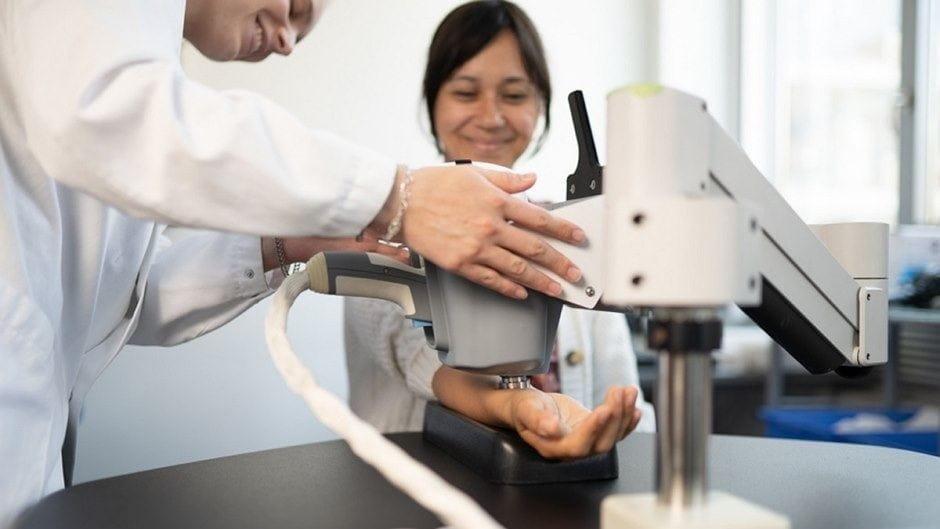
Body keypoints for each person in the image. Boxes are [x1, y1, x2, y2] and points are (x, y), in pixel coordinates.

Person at [0, 0, 590, 523]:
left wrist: (284, 242)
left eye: (515, 94)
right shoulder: (111, 74)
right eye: (297, 6)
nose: (285, 42)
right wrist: (396, 195)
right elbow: (105, 114)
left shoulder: (127, 55)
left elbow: (126, 299)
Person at [345, 0, 655, 461]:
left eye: (513, 95)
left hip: (560, 495)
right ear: (433, 103)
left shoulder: (568, 235)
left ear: (541, 106)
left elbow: (624, 396)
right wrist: (513, 404)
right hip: (410, 490)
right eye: (466, 93)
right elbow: (419, 356)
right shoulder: (385, 224)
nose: (491, 117)